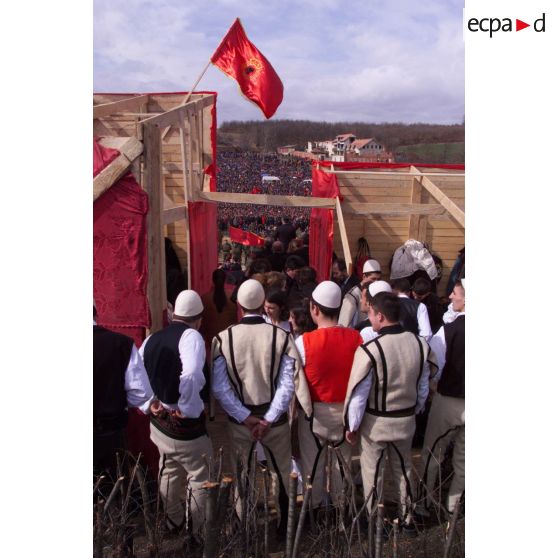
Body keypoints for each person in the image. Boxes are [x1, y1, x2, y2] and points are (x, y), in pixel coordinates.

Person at [211, 279, 310, 533]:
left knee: (242, 474)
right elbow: (289, 384)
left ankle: (245, 527)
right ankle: (284, 527)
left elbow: (220, 387)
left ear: (240, 306)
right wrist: (268, 418)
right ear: (262, 304)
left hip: (240, 420)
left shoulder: (223, 339)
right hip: (273, 420)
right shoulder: (282, 336)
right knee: (281, 471)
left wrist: (245, 417)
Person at [344, 292, 438, 531]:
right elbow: (424, 383)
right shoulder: (419, 344)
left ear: (381, 316)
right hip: (406, 419)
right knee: (403, 468)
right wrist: (414, 409)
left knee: (372, 471)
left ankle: (375, 519)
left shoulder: (370, 350)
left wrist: (352, 425)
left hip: (377, 422)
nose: (369, 318)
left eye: (371, 314)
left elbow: (359, 393)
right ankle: (406, 518)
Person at [140, 290, 212, 538]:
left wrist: (150, 403)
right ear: (199, 318)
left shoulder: (153, 338)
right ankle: (199, 532)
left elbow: (137, 372)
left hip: (159, 424)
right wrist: (188, 408)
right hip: (184, 427)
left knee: (168, 469)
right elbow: (191, 374)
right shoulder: (192, 335)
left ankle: (174, 521)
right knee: (200, 476)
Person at [295, 282, 362, 511]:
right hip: (345, 412)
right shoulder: (357, 339)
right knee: (342, 467)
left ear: (314, 309)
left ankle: (313, 511)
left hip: (314, 413)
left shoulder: (303, 342)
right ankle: (343, 511)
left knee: (312, 465)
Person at [418, 279, 465, 517]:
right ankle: (453, 510)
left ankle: (425, 503)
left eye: (456, 294)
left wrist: (431, 386)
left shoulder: (451, 329)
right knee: (464, 461)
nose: (452, 297)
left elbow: (434, 361)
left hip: (448, 399)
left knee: (433, 452)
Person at [93, 304, 156, 476]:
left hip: (109, 430)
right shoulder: (121, 344)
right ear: (96, 314)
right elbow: (142, 393)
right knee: (111, 491)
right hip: (110, 435)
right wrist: (115, 397)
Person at [338, 259, 382, 328]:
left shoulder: (377, 292)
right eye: (373, 279)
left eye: (378, 279)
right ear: (364, 277)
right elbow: (343, 325)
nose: (376, 282)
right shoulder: (352, 296)